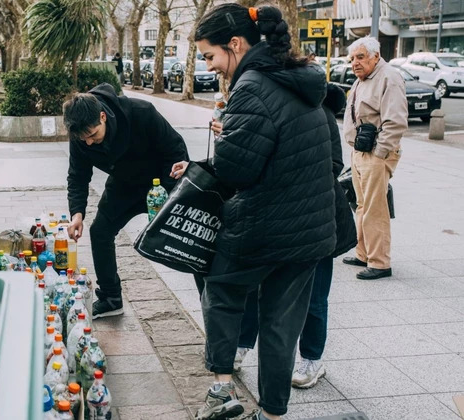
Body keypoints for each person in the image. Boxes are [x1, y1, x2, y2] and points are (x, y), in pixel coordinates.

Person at [170, 4, 336, 420]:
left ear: (236, 44)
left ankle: (222, 391)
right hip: (311, 228)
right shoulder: (300, 81)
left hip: (267, 224)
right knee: (282, 324)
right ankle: (273, 414)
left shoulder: (252, 85)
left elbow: (236, 170)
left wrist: (224, 138)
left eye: (210, 56)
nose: (210, 67)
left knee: (221, 288)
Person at [232, 82, 357, 391]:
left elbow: (333, 165)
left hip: (316, 220)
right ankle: (242, 344)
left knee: (314, 295)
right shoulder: (266, 109)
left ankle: (312, 359)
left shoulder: (319, 111)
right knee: (255, 287)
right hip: (276, 220)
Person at [63, 83, 189, 319]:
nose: (88, 142)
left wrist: (167, 192)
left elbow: (175, 149)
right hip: (123, 184)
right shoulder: (80, 134)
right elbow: (78, 175)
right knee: (100, 231)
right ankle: (110, 298)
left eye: (92, 135)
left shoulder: (142, 112)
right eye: (83, 139)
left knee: (185, 240)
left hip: (160, 184)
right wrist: (77, 213)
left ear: (103, 116)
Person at [341, 36, 407, 280]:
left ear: (376, 56)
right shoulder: (361, 80)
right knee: (360, 205)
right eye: (352, 59)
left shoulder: (389, 77)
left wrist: (379, 153)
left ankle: (379, 262)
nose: (355, 63)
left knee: (374, 208)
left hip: (375, 154)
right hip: (360, 151)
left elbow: (396, 120)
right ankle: (363, 253)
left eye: (361, 57)